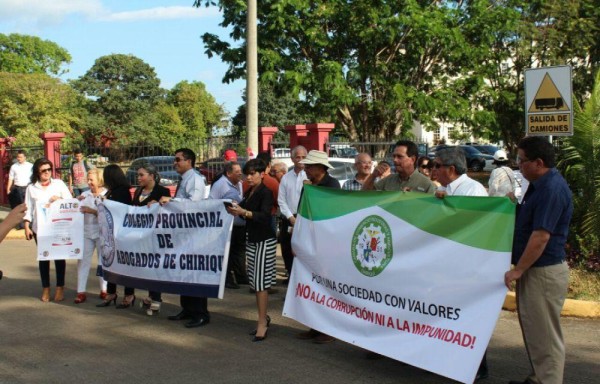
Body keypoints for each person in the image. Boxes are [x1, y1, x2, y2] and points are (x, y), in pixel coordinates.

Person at [504, 137, 572, 384]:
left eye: (522, 160)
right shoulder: (539, 185)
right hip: (535, 270)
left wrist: (518, 270)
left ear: (538, 162)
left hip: (543, 272)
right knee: (535, 331)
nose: (518, 165)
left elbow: (541, 237)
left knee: (546, 336)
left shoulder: (552, 189)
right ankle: (539, 377)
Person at [431, 146, 489, 381]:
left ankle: (476, 368)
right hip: (448, 264)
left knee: (469, 317)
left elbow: (472, 225)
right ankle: (448, 362)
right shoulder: (446, 189)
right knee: (447, 314)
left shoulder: (472, 189)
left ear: (451, 169)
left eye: (437, 166)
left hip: (467, 265)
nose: (433, 170)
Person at [226, 159, 277, 342]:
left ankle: (262, 321)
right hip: (253, 239)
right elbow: (243, 209)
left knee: (261, 284)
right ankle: (262, 318)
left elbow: (264, 216)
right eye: (247, 174)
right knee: (256, 283)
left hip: (264, 239)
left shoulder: (266, 192)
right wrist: (234, 209)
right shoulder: (250, 191)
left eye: (252, 173)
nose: (248, 177)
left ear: (262, 174)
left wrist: (243, 212)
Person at [159, 148, 209, 329]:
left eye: (178, 159)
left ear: (189, 161)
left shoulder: (195, 179)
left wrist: (171, 201)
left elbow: (194, 204)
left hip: (193, 233)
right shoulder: (185, 179)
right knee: (183, 272)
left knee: (194, 272)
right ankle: (187, 308)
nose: (175, 162)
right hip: (182, 233)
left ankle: (200, 313)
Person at [295, 150, 340, 344]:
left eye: (309, 166)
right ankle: (314, 325)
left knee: (326, 285)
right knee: (312, 284)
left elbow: (330, 211)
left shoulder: (332, 185)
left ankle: (328, 329)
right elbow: (302, 210)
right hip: (311, 239)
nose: (306, 169)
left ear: (320, 168)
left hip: (327, 242)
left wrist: (311, 191)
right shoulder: (308, 186)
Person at [23, 158, 72, 302]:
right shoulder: (31, 187)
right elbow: (28, 208)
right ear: (37, 171)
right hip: (40, 228)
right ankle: (46, 288)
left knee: (58, 257)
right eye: (44, 170)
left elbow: (70, 202)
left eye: (49, 169)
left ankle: (60, 287)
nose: (47, 173)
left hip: (58, 227)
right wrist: (27, 226)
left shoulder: (59, 184)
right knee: (44, 258)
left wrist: (59, 200)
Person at [132, 164, 171, 315]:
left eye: (142, 175)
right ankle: (151, 296)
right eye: (138, 175)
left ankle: (156, 299)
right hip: (140, 235)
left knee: (155, 265)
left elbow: (170, 210)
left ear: (152, 176)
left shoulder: (162, 191)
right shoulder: (138, 191)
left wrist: (158, 205)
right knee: (145, 266)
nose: (139, 178)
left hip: (155, 235)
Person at [96, 164, 134, 309]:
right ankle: (111, 293)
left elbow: (120, 209)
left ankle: (129, 295)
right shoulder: (113, 190)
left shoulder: (122, 191)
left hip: (121, 232)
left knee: (124, 264)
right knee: (111, 263)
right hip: (112, 233)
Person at [209, 161, 247, 289]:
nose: (240, 174)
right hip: (227, 225)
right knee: (228, 252)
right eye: (237, 172)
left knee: (239, 251)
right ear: (228, 173)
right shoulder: (220, 185)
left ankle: (241, 276)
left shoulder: (240, 184)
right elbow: (212, 203)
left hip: (239, 223)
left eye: (240, 171)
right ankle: (227, 279)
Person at [75, 169, 108, 304]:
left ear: (99, 181)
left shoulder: (107, 194)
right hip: (86, 232)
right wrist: (76, 202)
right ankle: (81, 291)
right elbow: (75, 211)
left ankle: (104, 289)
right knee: (83, 262)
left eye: (91, 180)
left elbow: (108, 215)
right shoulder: (85, 194)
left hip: (102, 233)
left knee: (103, 262)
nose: (89, 183)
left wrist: (92, 211)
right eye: (88, 180)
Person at [277, 145, 307, 282]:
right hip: (289, 219)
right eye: (298, 157)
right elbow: (281, 200)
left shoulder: (309, 177)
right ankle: (291, 280)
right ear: (292, 159)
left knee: (303, 253)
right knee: (287, 251)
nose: (301, 160)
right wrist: (290, 217)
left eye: (303, 157)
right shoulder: (286, 178)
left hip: (306, 219)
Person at [363, 140, 435, 193]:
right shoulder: (388, 180)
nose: (395, 160)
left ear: (412, 159)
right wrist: (373, 176)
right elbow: (364, 195)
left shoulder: (427, 185)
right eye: (394, 156)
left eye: (400, 157)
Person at [6, 150, 33, 229]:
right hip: (17, 188)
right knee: (19, 207)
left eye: (21, 157)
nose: (19, 158)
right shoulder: (14, 166)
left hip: (28, 188)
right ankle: (20, 225)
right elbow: (11, 179)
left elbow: (34, 177)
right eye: (18, 157)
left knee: (28, 206)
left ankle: (29, 223)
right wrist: (8, 189)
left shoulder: (30, 166)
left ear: (25, 157)